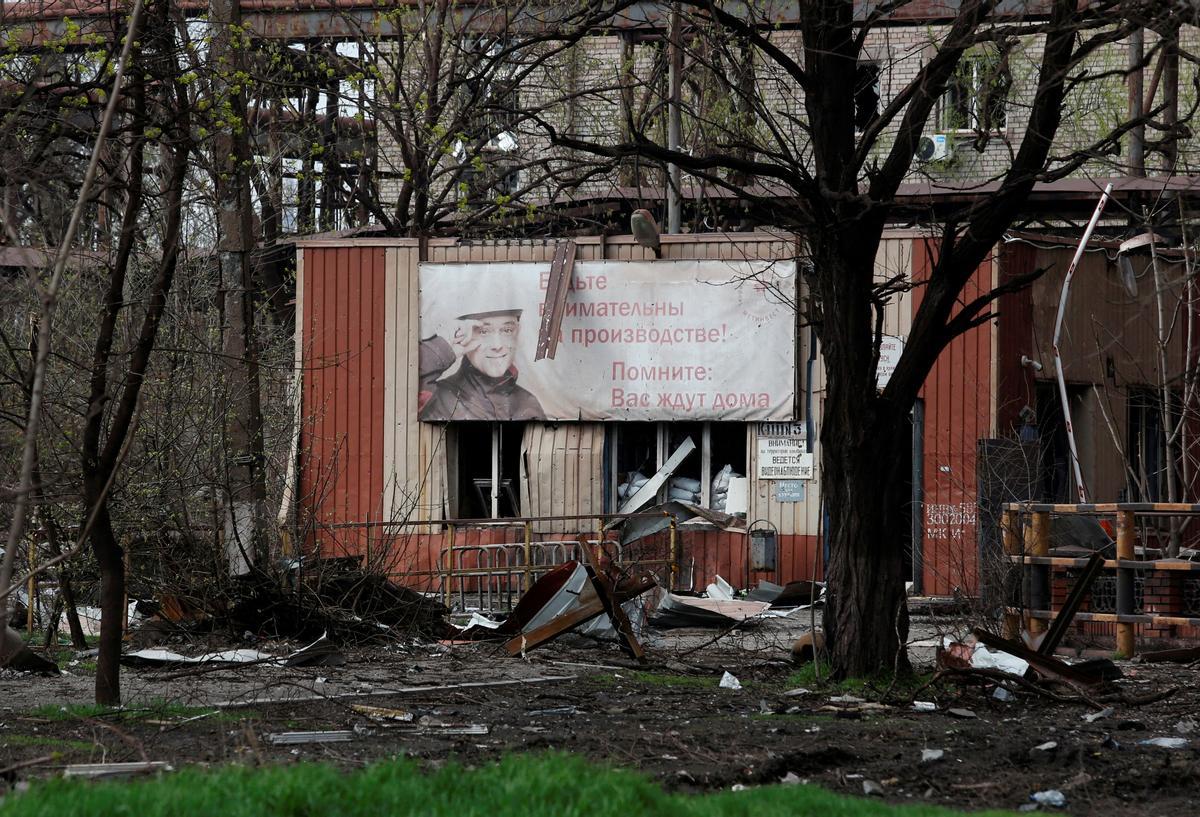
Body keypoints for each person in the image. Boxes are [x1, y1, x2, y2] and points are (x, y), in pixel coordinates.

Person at [418, 308, 546, 420]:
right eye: (484, 331)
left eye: (507, 330)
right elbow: (403, 384)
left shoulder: (528, 403)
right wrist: (445, 348)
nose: (497, 345)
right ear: (463, 335)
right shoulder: (437, 399)